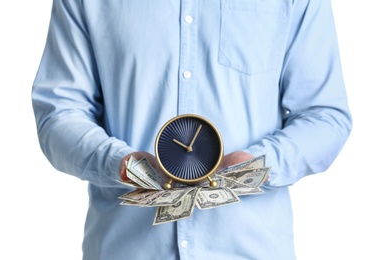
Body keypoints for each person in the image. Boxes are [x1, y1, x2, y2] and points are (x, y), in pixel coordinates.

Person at [32, 0, 352, 259]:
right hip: (126, 249)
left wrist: (258, 165)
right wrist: (119, 163)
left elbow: (325, 114)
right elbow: (59, 112)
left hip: (252, 249)